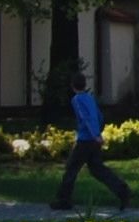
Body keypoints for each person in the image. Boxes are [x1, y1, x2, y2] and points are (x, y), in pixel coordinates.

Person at [54, 79, 133, 212]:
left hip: (85, 139)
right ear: (85, 85)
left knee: (71, 168)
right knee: (98, 169)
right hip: (94, 140)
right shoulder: (90, 98)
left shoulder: (77, 99)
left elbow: (85, 117)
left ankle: (64, 200)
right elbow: (99, 116)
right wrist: (98, 133)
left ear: (73, 86)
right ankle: (123, 191)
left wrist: (94, 134)